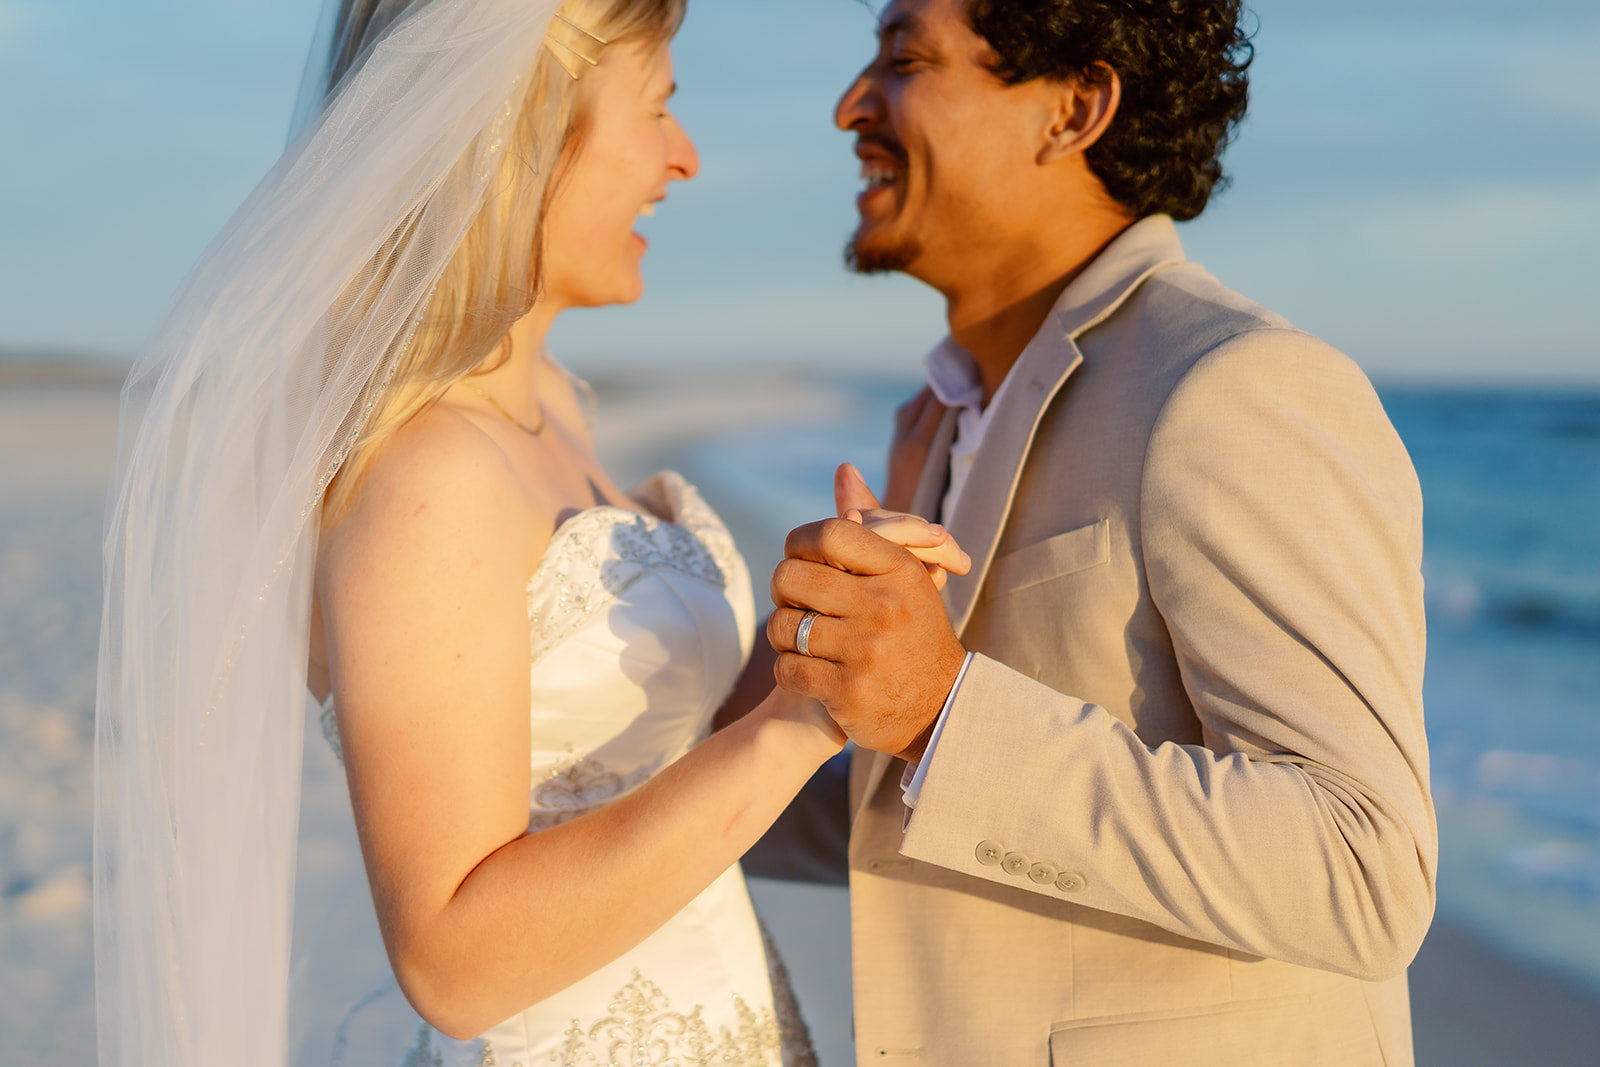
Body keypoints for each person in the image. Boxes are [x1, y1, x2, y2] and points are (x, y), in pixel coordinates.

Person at [92, 3, 967, 1066]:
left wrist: (842, 593)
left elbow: (673, 762)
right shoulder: (430, 471)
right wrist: (801, 719)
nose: (682, 160)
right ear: (532, 134)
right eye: (658, 110)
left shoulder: (552, 402)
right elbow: (454, 961)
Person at [759, 0, 1436, 1062]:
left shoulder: (1236, 383)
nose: (853, 103)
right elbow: (916, 801)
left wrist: (941, 706)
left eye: (903, 59)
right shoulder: (936, 423)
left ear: (1074, 107)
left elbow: (1362, 867)